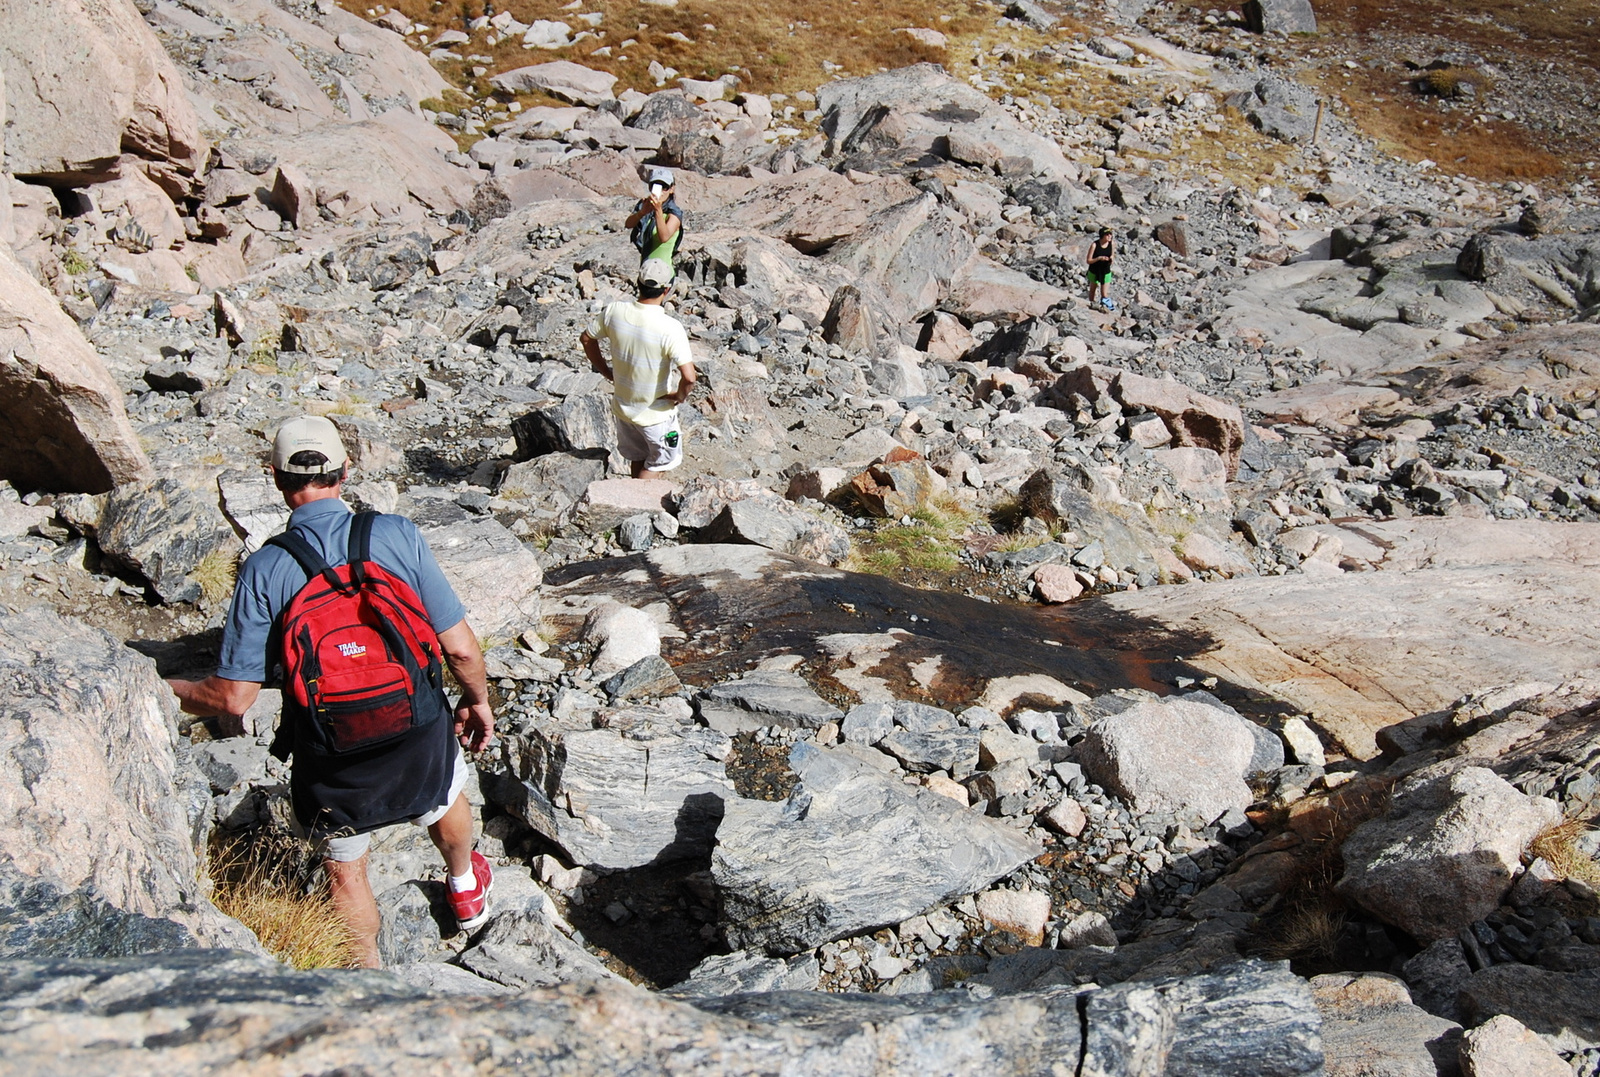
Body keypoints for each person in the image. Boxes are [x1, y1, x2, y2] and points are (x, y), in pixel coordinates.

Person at [167, 416, 495, 968]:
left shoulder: (265, 568)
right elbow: (459, 648)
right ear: (346, 470)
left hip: (332, 748)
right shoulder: (395, 535)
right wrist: (477, 700)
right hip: (416, 727)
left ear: (275, 480)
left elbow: (233, 698)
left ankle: (366, 976)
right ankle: (464, 888)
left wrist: (164, 687)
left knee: (345, 867)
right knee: (446, 794)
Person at [581, 259, 698, 479]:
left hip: (624, 408)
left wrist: (606, 372)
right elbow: (690, 377)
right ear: (667, 289)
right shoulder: (670, 328)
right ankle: (643, 507)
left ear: (638, 282)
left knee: (637, 456)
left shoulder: (615, 311)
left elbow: (587, 338)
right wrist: (679, 396)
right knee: (659, 463)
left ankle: (633, 498)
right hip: (655, 415)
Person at [624, 166, 684, 273]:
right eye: (655, 186)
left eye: (664, 187)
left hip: (662, 270)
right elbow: (628, 224)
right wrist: (642, 212)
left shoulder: (674, 213)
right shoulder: (645, 205)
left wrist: (658, 210)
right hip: (645, 267)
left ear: (671, 189)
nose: (660, 190)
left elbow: (664, 237)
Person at [1087, 226, 1116, 311]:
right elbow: (1088, 260)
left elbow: (1112, 254)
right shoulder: (1094, 245)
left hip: (1105, 270)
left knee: (1104, 293)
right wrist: (1099, 258)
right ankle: (1091, 304)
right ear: (1102, 236)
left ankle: (1105, 307)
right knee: (1092, 290)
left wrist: (1111, 258)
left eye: (1110, 234)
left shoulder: (1112, 244)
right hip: (1095, 270)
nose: (1110, 236)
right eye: (1107, 235)